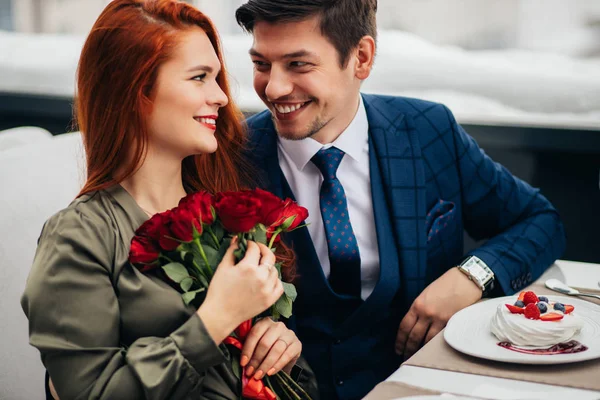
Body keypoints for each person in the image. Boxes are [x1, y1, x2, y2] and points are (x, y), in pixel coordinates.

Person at [234, 0, 566, 399]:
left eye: (298, 65)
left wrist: (471, 276)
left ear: (361, 58)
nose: (273, 88)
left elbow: (541, 220)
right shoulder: (232, 157)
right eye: (261, 64)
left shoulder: (429, 130)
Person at [21, 1, 318, 399]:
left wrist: (279, 352)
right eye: (199, 77)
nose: (221, 98)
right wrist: (215, 320)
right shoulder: (79, 236)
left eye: (217, 78)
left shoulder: (223, 216)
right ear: (135, 90)